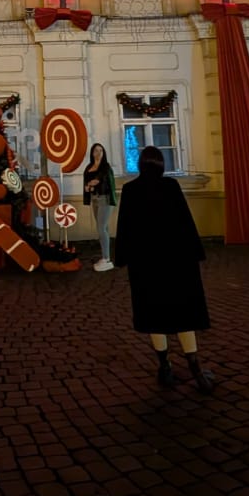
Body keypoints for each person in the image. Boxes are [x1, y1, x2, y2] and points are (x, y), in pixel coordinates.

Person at [113, 145, 214, 392]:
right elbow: (185, 222)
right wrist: (196, 253)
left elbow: (124, 227)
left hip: (145, 267)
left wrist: (121, 258)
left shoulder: (130, 190)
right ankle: (196, 370)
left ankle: (164, 367)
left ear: (140, 164)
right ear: (160, 164)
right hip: (177, 264)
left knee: (154, 317)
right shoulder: (171, 187)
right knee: (184, 316)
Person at [82, 142, 117, 271]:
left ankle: (106, 258)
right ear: (92, 153)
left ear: (104, 153)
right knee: (103, 228)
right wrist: (88, 186)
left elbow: (101, 180)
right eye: (96, 150)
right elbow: (87, 184)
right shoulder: (89, 167)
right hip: (94, 199)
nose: (98, 153)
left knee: (101, 227)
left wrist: (93, 183)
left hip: (104, 199)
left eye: (101, 150)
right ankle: (105, 257)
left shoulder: (105, 167)